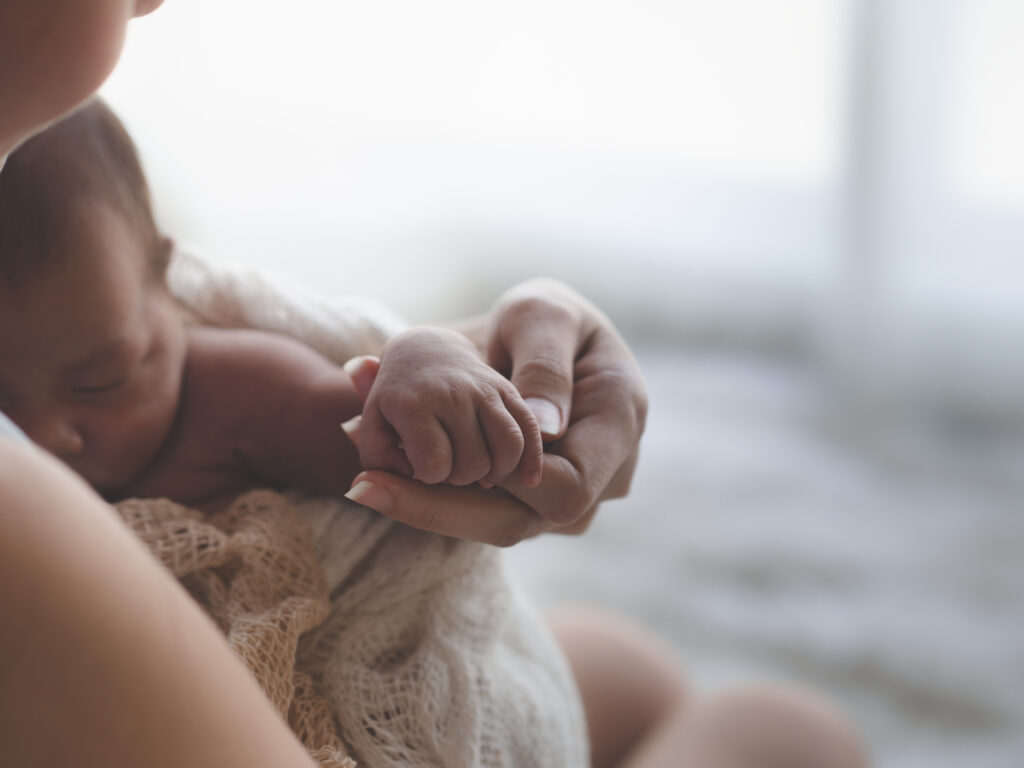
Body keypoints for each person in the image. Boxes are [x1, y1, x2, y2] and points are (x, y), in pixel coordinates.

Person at [0, 3, 866, 767]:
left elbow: (389, 436)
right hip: (322, 727)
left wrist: (428, 366)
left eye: (105, 377)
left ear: (171, 285)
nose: (48, 435)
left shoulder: (226, 391)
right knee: (786, 732)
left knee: (625, 668)